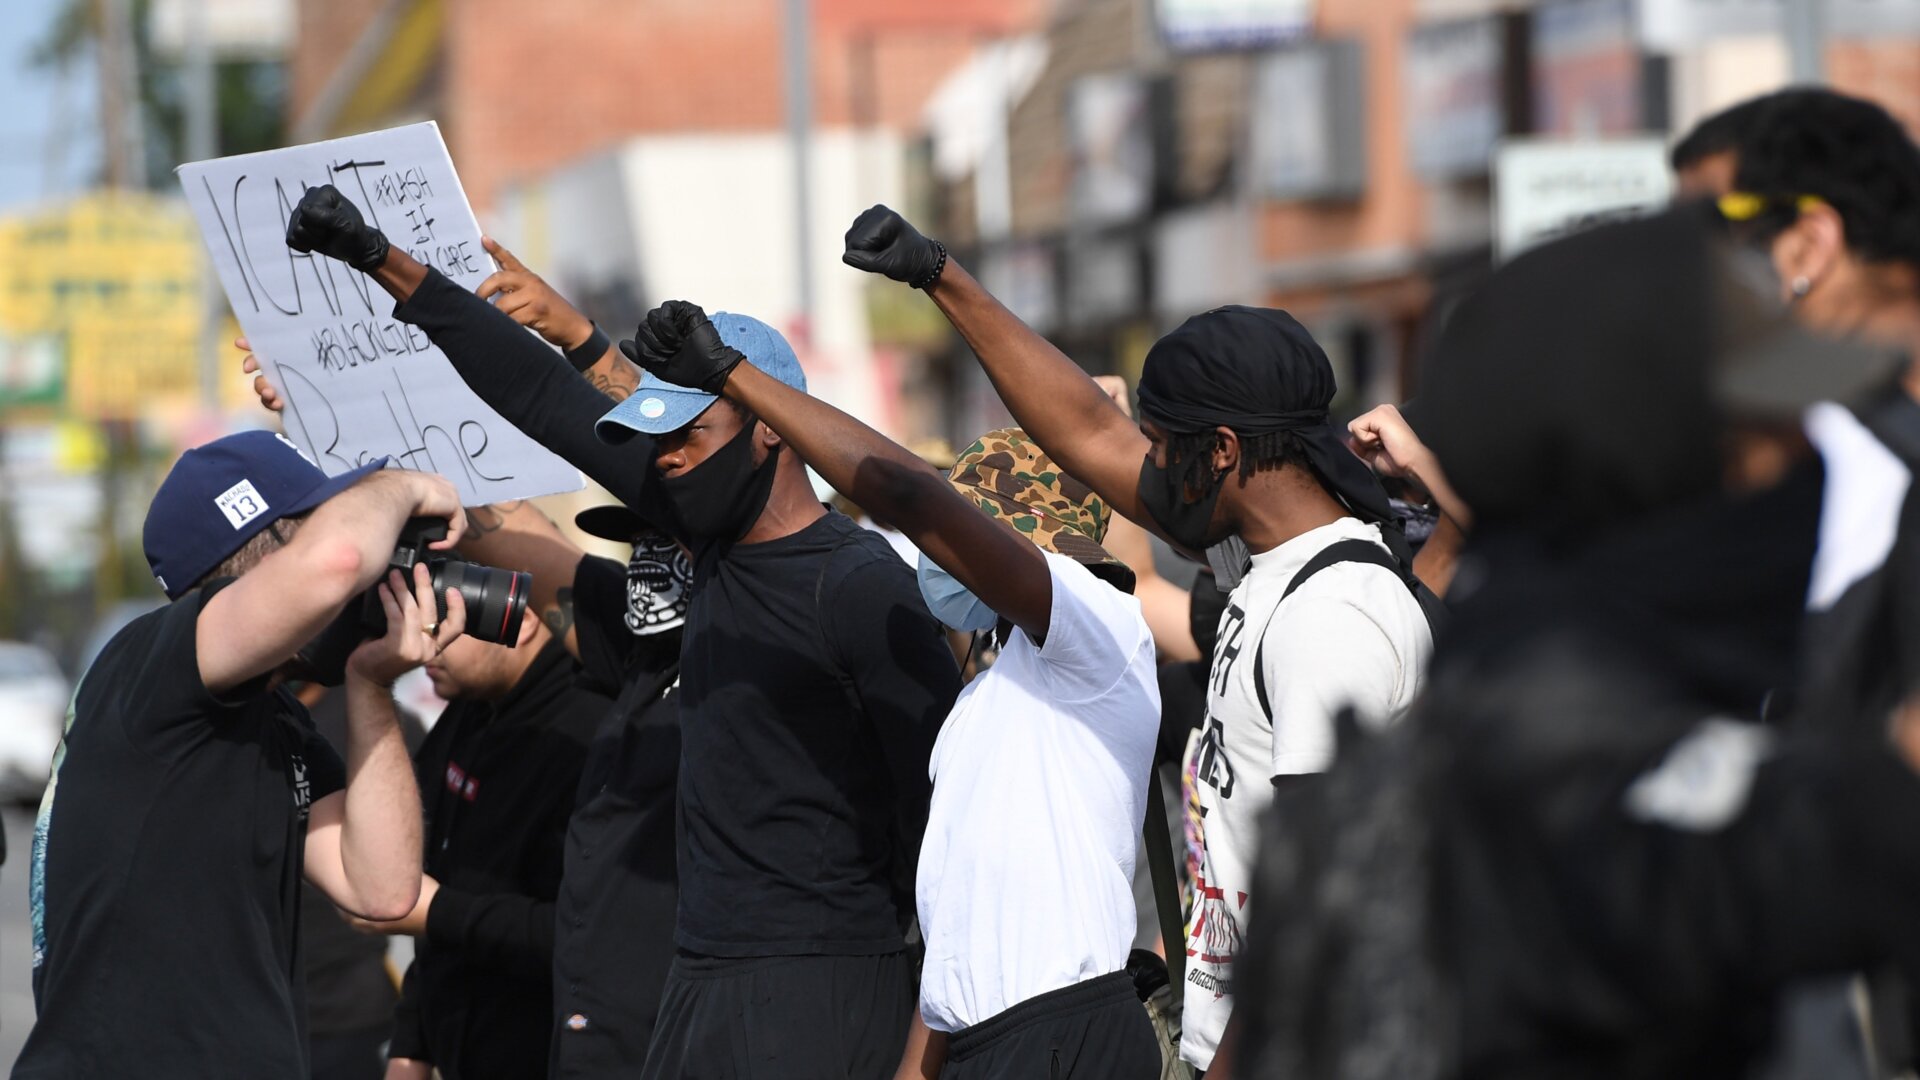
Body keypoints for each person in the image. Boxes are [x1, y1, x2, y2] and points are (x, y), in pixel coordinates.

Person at [283, 184, 962, 1080]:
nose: (668, 455)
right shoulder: (706, 538)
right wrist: (378, 258)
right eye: (657, 437)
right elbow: (534, 393)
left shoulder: (864, 587)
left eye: (692, 433)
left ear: (771, 434)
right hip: (699, 993)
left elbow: (952, 858)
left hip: (829, 996)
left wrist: (919, 1066)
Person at [1233, 202, 1913, 1080]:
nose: (1807, 467)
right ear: (1654, 471)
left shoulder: (1439, 750)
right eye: (1770, 441)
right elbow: (1768, 842)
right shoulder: (1574, 783)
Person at [840, 204, 1435, 1072]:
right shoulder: (1258, 556)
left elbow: (1316, 904)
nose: (1144, 464)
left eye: (1162, 445)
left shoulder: (1331, 612)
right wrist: (941, 276)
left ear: (1223, 451)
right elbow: (1084, 431)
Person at [628, 298, 1164, 1078]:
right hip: (981, 1040)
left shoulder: (1102, 633)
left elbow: (912, 500)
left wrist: (738, 378)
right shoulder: (983, 701)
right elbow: (949, 924)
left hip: (1062, 1029)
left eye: (973, 525)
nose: (941, 548)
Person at [16, 432, 466, 1079]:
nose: (368, 576)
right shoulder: (149, 663)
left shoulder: (273, 720)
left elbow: (381, 889)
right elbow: (336, 558)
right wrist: (406, 484)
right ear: (268, 556)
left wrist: (372, 683)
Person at [349, 585, 604, 1080]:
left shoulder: (588, 733)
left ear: (522, 617)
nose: (426, 634)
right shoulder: (470, 707)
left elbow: (588, 935)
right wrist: (411, 1050)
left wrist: (436, 911)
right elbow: (436, 894)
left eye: (447, 612)